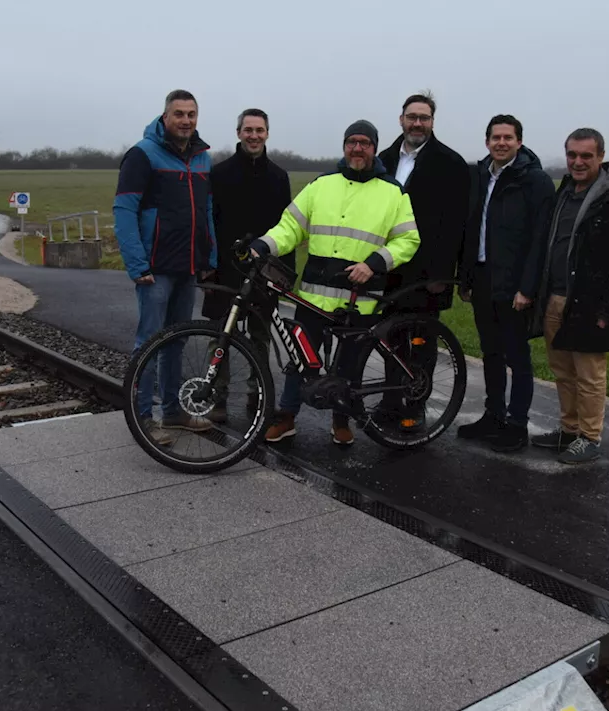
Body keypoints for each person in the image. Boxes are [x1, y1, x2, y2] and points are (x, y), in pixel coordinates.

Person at [250, 119, 421, 446]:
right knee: (299, 358)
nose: (358, 148)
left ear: (374, 148)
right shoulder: (321, 185)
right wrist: (264, 244)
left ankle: (342, 419)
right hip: (314, 295)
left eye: (365, 143)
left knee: (350, 364)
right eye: (352, 142)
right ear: (344, 146)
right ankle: (286, 416)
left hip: (361, 294)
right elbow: (290, 228)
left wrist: (373, 264)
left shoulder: (393, 193)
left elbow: (408, 240)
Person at [530, 128, 609, 464]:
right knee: (562, 371)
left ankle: (589, 437)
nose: (578, 162)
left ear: (600, 157)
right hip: (556, 299)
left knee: (589, 375)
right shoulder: (565, 191)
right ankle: (568, 430)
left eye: (586, 156)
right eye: (572, 155)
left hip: (591, 304)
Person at [113, 89, 218, 443]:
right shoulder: (142, 155)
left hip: (188, 266)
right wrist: (136, 263)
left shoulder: (203, 158)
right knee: (149, 342)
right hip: (155, 268)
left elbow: (205, 211)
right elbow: (124, 211)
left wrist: (209, 258)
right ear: (165, 117)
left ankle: (172, 412)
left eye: (191, 114)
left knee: (176, 341)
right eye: (179, 114)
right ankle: (143, 417)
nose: (186, 120)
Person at [457, 114, 556, 452]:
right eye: (495, 137)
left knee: (518, 355)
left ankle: (516, 424)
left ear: (519, 142)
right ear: (487, 142)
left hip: (513, 282)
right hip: (483, 276)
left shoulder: (535, 181)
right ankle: (493, 415)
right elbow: (470, 229)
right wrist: (466, 276)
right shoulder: (479, 176)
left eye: (508, 138)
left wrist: (527, 288)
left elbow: (540, 240)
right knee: (491, 352)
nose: (501, 143)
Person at [376, 92, 475, 428]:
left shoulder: (451, 163)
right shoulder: (383, 159)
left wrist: (446, 273)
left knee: (421, 342)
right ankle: (390, 400)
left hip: (427, 271)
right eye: (412, 117)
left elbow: (459, 223)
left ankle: (414, 406)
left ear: (433, 121)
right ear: (401, 119)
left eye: (424, 117)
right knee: (389, 339)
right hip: (388, 268)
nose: (417, 123)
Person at [201, 108, 292, 424]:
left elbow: (287, 227)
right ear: (238, 132)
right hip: (224, 269)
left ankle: (258, 394)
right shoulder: (220, 173)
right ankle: (216, 395)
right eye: (248, 130)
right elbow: (208, 222)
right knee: (219, 335)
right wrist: (207, 263)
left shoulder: (279, 177)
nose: (254, 136)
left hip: (264, 271)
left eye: (260, 130)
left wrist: (284, 273)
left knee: (260, 337)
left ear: (267, 133)